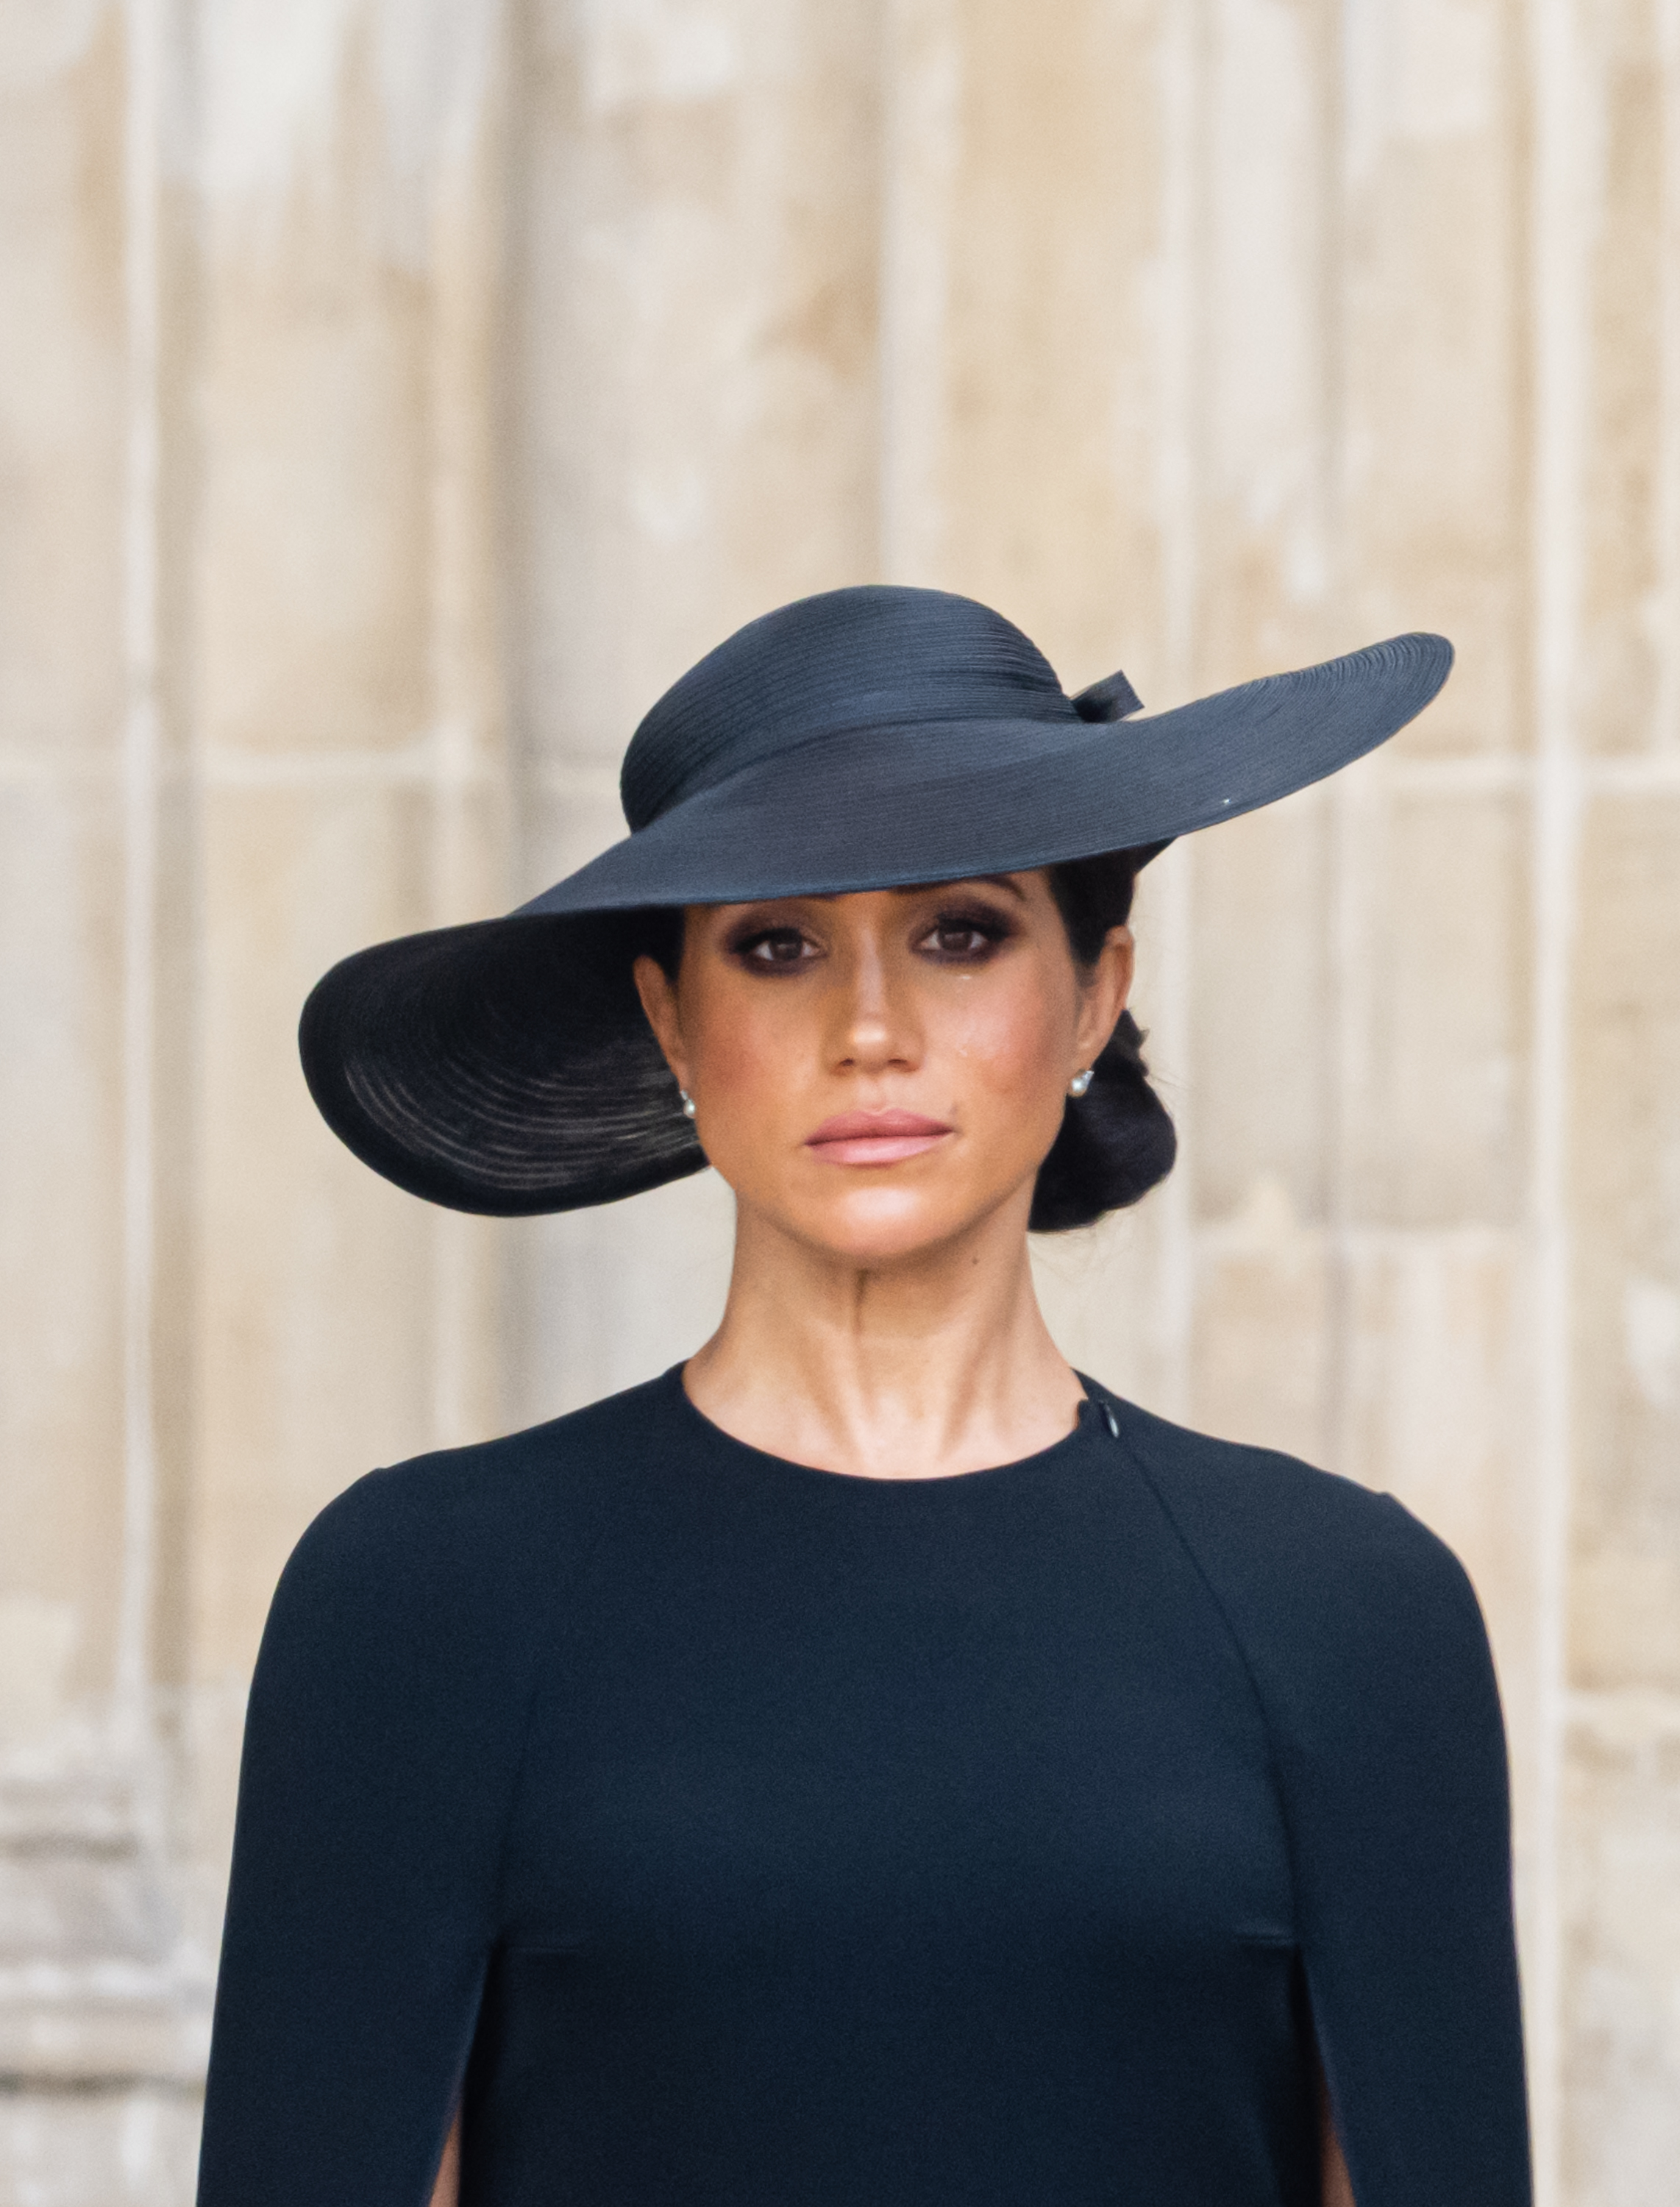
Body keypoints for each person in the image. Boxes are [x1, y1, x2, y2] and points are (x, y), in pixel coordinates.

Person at [196, 586, 1531, 2207]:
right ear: (672, 1017)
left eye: (958, 931)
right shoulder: (418, 1599)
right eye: (777, 945)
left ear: (1096, 993)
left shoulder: (1347, 1613)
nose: (872, 1029)